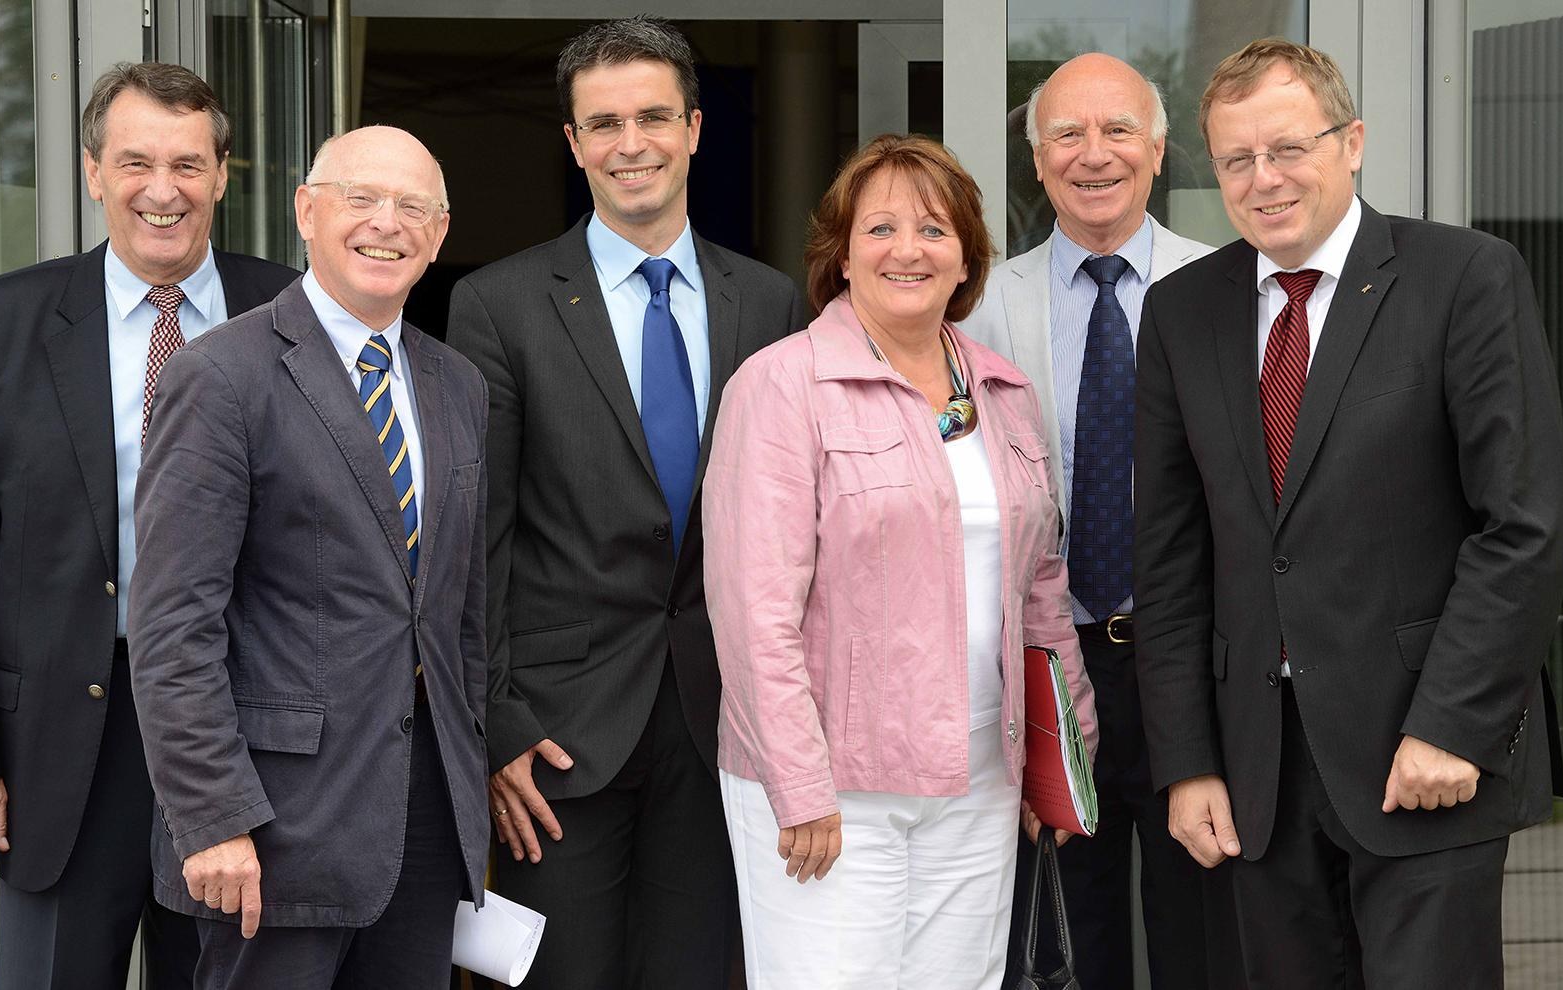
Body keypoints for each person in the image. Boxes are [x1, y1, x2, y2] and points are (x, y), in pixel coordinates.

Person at [1134, 38, 1563, 987]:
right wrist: (1188, 762)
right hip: (1255, 775)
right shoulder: (1179, 312)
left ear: (1352, 142)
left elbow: (1522, 524)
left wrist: (1452, 723)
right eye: (1238, 159)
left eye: (1288, 148)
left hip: (1423, 760)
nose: (1264, 179)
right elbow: (1171, 561)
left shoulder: (1464, 277)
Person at [444, 15, 802, 989]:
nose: (629, 143)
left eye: (651, 116)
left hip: (722, 724)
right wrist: (495, 725)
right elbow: (474, 540)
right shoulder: (498, 305)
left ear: (693, 127)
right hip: (555, 742)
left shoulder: (766, 303)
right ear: (571, 142)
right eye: (603, 123)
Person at [0, 61, 295, 989]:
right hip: (55, 738)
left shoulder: (296, 315)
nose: (161, 192)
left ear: (220, 175)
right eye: (134, 163)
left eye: (187, 165)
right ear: (93, 173)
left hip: (246, 735)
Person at [703, 133, 1098, 990]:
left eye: (932, 230)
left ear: (966, 258)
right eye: (878, 230)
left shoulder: (1001, 390)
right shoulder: (780, 386)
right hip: (833, 791)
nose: (907, 251)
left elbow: (1040, 594)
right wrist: (799, 785)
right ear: (840, 257)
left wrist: (1061, 759)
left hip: (980, 781)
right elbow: (752, 612)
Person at [128, 125, 492, 987]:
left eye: (413, 207)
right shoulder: (221, 376)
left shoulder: (457, 385)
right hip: (272, 831)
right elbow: (172, 625)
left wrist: (467, 797)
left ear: (439, 235)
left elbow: (459, 616)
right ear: (306, 211)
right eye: (360, 198)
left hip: (425, 827)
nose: (385, 224)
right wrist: (212, 817)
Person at [958, 53, 1217, 990]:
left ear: (1157, 151)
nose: (1092, 154)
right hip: (1046, 666)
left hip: (1191, 658)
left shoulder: (1226, 288)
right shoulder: (977, 305)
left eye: (1116, 131)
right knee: (1066, 935)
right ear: (1035, 160)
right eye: (1066, 133)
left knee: (1203, 929)